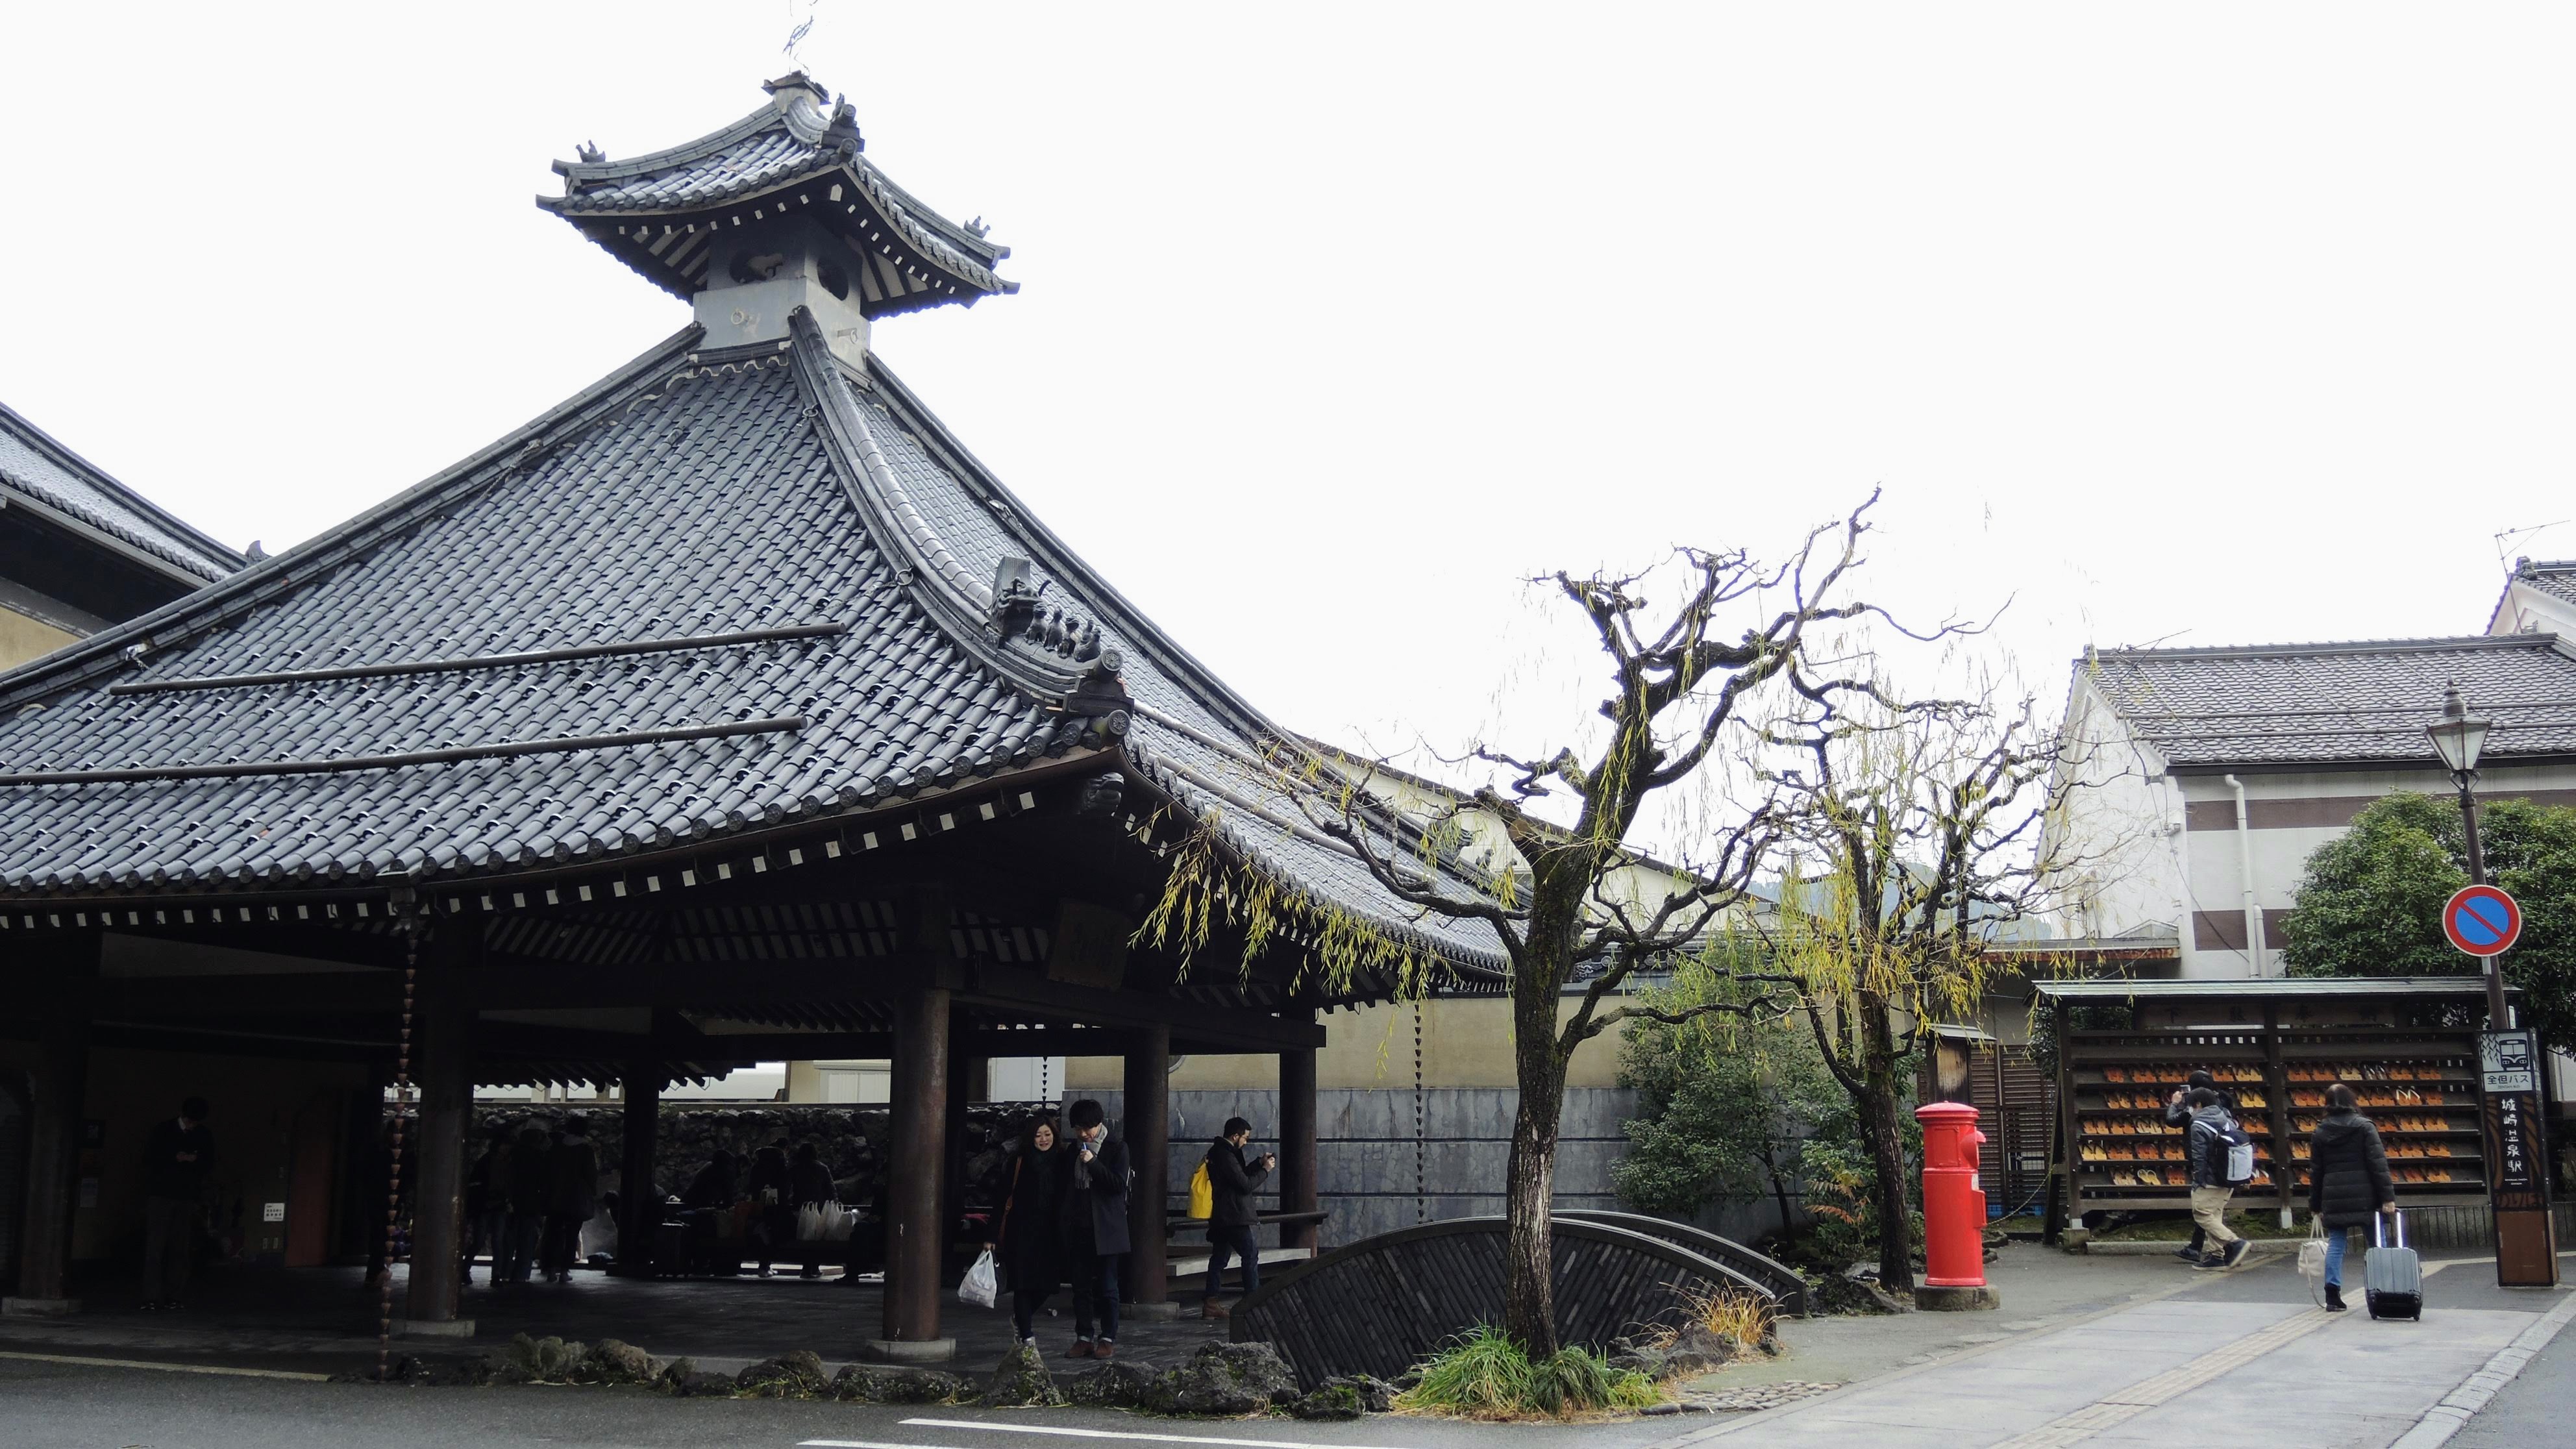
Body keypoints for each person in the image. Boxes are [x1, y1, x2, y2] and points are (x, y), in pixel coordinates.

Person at [2308, 1082, 2397, 1313]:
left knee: (2337, 1244)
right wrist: (2387, 1197)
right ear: (2352, 1100)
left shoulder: (2320, 1131)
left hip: (2334, 1194)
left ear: (2327, 1103)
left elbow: (2316, 1171)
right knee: (2376, 1242)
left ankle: (2332, 1294)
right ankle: (2383, 1288)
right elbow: (2378, 1165)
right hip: (2365, 1194)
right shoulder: (2365, 1127)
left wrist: (2315, 1204)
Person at [1058, 1098, 1130, 1361]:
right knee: (1080, 1288)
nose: (1083, 1134)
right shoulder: (1071, 1152)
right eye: (1078, 1129)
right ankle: (1084, 1337)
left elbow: (1117, 1185)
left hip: (1108, 1230)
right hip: (1079, 1228)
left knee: (1108, 1287)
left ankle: (1108, 1338)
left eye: (1088, 1129)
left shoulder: (1117, 1148)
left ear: (1099, 1125)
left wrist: (1093, 1163)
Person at [991, 1118, 1065, 1344]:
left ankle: (1021, 1319)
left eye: (1048, 1134)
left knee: (1047, 1285)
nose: (1044, 1140)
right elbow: (1002, 1198)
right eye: (1038, 1135)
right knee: (1022, 1283)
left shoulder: (1062, 1161)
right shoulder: (1018, 1162)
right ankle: (1026, 1334)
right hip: (1021, 1231)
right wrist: (991, 1236)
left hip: (1051, 1232)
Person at [140, 1096, 215, 1310]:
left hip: (186, 1196)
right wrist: (176, 1157)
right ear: (183, 1115)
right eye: (190, 1121)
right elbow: (149, 1158)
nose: (192, 1125)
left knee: (180, 1248)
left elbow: (210, 1162)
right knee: (155, 1248)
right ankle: (151, 1297)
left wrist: (195, 1160)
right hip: (161, 1194)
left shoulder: (203, 1135)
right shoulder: (163, 1131)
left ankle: (174, 1296)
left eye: (195, 1122)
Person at [1200, 1117, 1274, 1319]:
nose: (1246, 1142)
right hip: (1233, 1215)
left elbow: (1238, 1176)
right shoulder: (1225, 1155)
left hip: (1222, 1216)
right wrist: (1265, 1171)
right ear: (1235, 1136)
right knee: (1250, 1254)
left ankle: (1211, 1303)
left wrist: (1258, 1163)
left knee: (1219, 1258)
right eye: (1245, 1138)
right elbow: (1244, 1185)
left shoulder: (1222, 1153)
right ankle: (1252, 1301)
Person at [2162, 1070, 2235, 1263]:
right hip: (2225, 1162)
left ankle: (2231, 1245)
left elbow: (2172, 1121)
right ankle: (2216, 1252)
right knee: (2214, 1208)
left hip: (2206, 1165)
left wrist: (2175, 1103)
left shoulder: (2197, 1111)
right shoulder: (2223, 1104)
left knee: (2203, 1209)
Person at [2183, 1087, 2249, 1269]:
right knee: (2215, 1214)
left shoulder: (2198, 1124)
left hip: (2210, 1178)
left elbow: (2200, 1156)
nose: (2190, 1110)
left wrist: (2199, 1180)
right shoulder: (2226, 1119)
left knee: (2201, 1213)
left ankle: (2235, 1243)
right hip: (2229, 1176)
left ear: (2198, 1105)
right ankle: (2217, 1255)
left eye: (2191, 1106)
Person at [542, 1122, 599, 1283]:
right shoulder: (585, 1150)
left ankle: (551, 1270)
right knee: (572, 1235)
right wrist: (591, 1191)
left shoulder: (556, 1148)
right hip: (576, 1199)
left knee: (554, 1235)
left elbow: (547, 1171)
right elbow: (591, 1175)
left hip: (556, 1198)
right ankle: (565, 1271)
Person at [501, 1124, 552, 1283]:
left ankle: (504, 1271)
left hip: (512, 1202)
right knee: (527, 1239)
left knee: (508, 1240)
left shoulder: (512, 1156)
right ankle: (521, 1274)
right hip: (531, 1203)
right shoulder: (539, 1157)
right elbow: (544, 1182)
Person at [465, 1121, 515, 1285]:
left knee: (496, 1242)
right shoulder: (489, 1162)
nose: (506, 1148)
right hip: (486, 1205)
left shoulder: (499, 1162)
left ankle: (496, 1275)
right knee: (481, 1241)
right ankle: (466, 1270)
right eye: (504, 1145)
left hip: (497, 1205)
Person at [787, 1143, 838, 1279]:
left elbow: (788, 1188)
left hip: (801, 1207)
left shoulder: (796, 1169)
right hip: (819, 1208)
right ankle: (814, 1267)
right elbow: (830, 1189)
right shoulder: (822, 1168)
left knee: (804, 1235)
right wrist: (834, 1204)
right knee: (817, 1238)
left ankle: (806, 1267)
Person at [746, 1143, 793, 1277]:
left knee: (764, 1237)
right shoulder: (781, 1168)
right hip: (777, 1210)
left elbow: (751, 1188)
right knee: (774, 1236)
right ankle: (765, 1266)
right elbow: (785, 1190)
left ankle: (764, 1266)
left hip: (759, 1208)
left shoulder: (756, 1168)